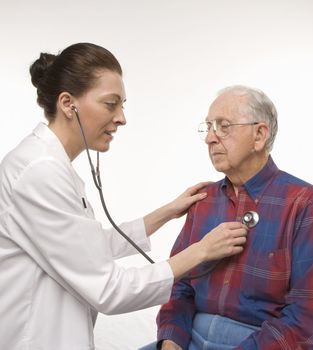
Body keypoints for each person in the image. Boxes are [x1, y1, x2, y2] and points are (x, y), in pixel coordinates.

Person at [0, 43, 249, 350]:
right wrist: (201, 251)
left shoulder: (48, 165)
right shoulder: (39, 172)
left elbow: (84, 248)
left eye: (122, 105)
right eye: (110, 104)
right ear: (68, 104)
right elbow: (109, 290)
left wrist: (166, 212)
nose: (121, 118)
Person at [141, 85, 313, 349]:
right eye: (208, 127)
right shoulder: (203, 200)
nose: (210, 138)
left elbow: (305, 318)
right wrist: (171, 341)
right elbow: (180, 288)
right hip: (195, 337)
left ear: (259, 135)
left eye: (223, 126)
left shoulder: (306, 204)